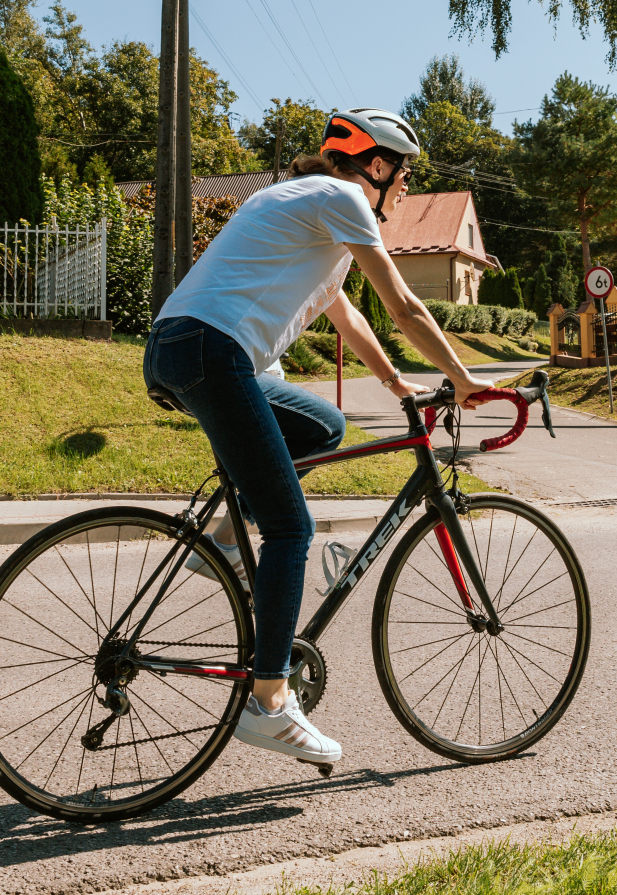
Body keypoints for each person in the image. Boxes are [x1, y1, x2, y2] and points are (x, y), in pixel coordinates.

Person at [142, 108, 487, 770]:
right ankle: (268, 703)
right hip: (214, 352)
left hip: (177, 347)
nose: (408, 187)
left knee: (324, 425)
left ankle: (219, 541)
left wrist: (399, 388)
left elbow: (352, 320)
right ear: (377, 166)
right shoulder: (342, 198)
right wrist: (465, 380)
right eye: (406, 172)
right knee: (292, 531)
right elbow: (405, 308)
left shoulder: (303, 210)